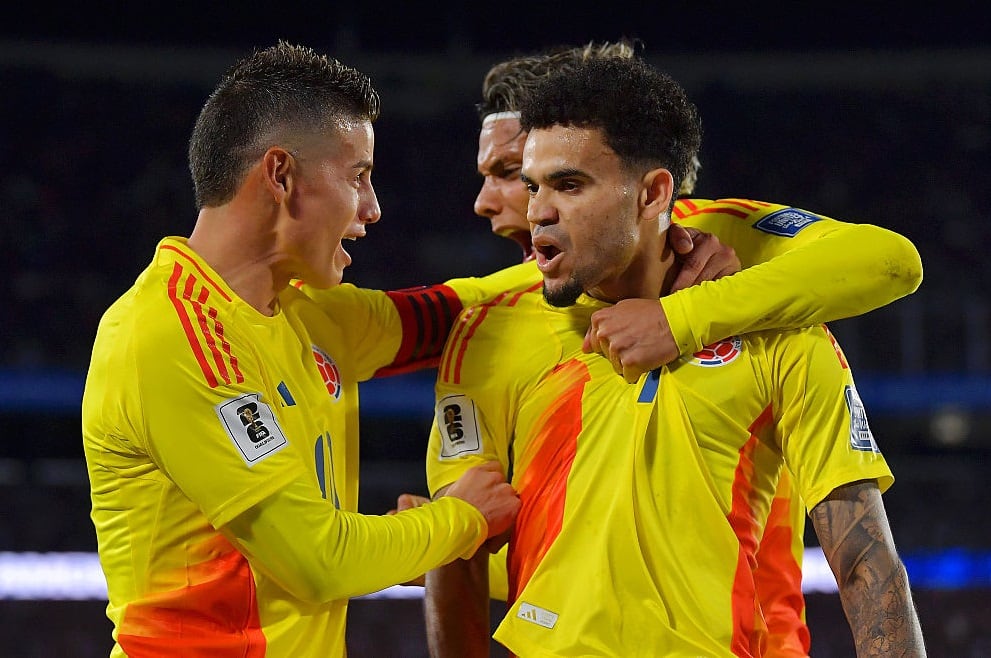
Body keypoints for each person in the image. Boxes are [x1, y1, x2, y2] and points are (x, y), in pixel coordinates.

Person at [435, 39, 922, 657]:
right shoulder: (493, 330)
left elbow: (868, 569)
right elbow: (466, 550)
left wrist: (680, 319)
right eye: (530, 185)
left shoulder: (783, 337)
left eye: (568, 184)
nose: (536, 211)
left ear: (653, 193)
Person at [81, 41, 521, 657]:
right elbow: (319, 561)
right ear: (281, 175)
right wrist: (463, 518)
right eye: (359, 177)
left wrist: (671, 238)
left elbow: (464, 309)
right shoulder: (168, 337)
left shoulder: (303, 312)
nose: (373, 208)